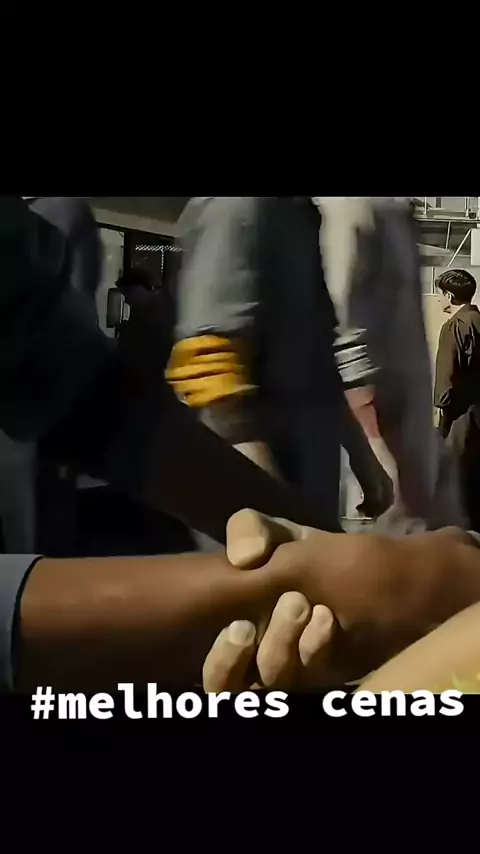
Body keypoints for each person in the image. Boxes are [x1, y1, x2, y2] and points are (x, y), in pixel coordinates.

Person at [168, 197, 347, 542]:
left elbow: (321, 359)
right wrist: (273, 507)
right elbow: (209, 367)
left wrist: (363, 461)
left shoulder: (299, 214)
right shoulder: (238, 206)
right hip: (259, 505)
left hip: (304, 493)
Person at [434, 270, 480, 530]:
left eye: (440, 294)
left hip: (461, 421)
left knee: (458, 485)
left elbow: (446, 383)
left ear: (449, 296)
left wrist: (441, 417)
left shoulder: (454, 327)